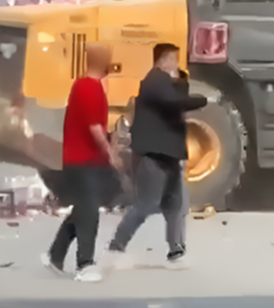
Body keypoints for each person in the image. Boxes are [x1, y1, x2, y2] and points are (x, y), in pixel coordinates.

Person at [108, 43, 207, 268]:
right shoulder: (155, 80)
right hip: (156, 155)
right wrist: (202, 100)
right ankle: (117, 244)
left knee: (175, 204)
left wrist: (180, 79)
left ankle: (176, 251)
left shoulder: (164, 82)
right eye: (174, 59)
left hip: (169, 154)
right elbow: (174, 104)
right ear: (164, 59)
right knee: (147, 203)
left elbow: (176, 102)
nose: (177, 64)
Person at [42, 43, 122, 283]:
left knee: (82, 211)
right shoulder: (89, 87)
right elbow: (95, 128)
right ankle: (84, 264)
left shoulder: (86, 85)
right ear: (103, 61)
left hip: (81, 160)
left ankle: (55, 256)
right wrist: (111, 154)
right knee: (89, 215)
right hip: (83, 161)